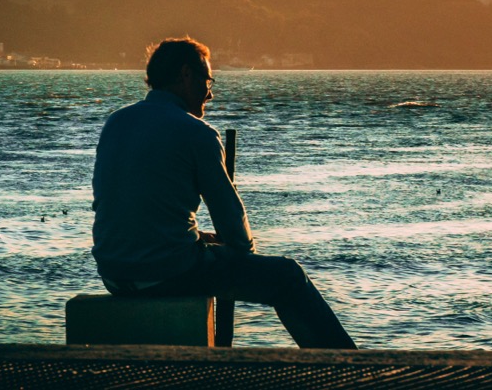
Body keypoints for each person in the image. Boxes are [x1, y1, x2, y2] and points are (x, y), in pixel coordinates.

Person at [91, 37, 356, 349]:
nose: (211, 92)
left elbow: (130, 206)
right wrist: (241, 255)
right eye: (207, 79)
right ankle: (347, 367)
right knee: (287, 276)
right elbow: (235, 230)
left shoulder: (117, 122)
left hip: (113, 274)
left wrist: (192, 236)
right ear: (186, 75)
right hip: (165, 273)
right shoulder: (196, 133)